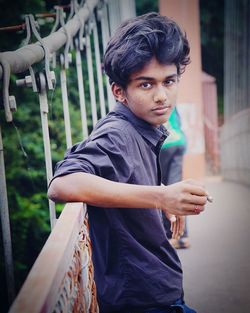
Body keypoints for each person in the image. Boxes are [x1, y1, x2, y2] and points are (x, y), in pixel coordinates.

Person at [48, 12, 209, 313]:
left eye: (169, 81)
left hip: (154, 290)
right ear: (119, 92)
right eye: (146, 85)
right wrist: (161, 196)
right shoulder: (118, 133)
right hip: (142, 299)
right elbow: (62, 184)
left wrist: (159, 195)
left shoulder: (141, 127)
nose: (162, 96)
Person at [160, 107, 190, 249]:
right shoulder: (171, 102)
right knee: (176, 188)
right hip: (178, 142)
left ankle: (173, 235)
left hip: (164, 145)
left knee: (166, 190)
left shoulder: (151, 101)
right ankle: (183, 237)